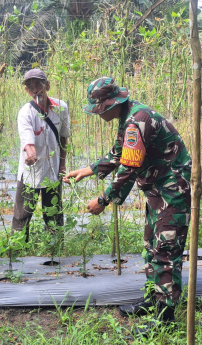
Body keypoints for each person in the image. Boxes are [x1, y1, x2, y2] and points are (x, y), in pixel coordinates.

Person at [64, 76, 193, 329]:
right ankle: (152, 299)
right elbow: (118, 154)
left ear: (111, 104)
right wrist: (86, 170)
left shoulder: (137, 122)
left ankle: (165, 318)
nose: (98, 115)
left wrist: (104, 200)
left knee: (166, 251)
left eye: (99, 109)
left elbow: (128, 168)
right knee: (151, 246)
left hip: (171, 189)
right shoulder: (130, 117)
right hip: (158, 189)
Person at [12, 68, 70, 241]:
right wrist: (30, 154)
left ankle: (56, 248)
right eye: (30, 86)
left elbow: (63, 138)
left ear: (47, 86)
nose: (35, 89)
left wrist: (62, 165)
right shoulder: (25, 112)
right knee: (21, 216)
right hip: (30, 172)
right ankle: (18, 249)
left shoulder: (61, 107)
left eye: (39, 84)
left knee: (54, 214)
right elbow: (27, 140)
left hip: (52, 171)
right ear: (26, 91)